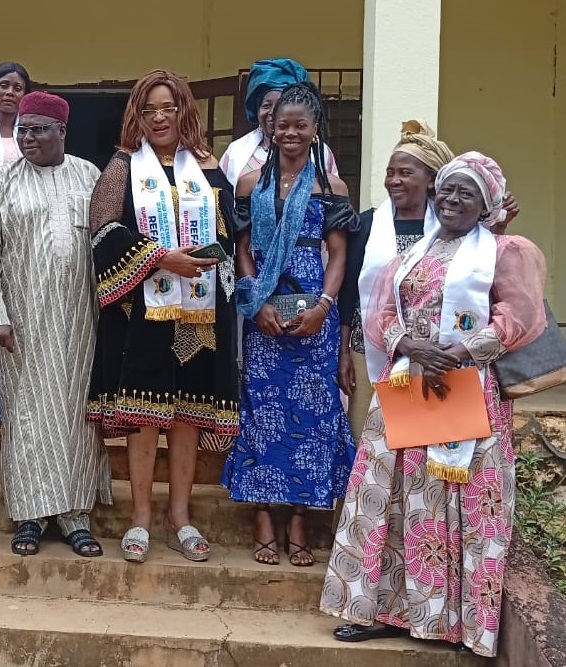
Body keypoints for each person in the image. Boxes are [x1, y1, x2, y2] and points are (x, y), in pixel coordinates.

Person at [321, 152, 547, 658]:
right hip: (410, 384)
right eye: (447, 190)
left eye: (466, 193)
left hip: (469, 390)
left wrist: (464, 349)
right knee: (396, 498)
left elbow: (520, 315)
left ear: (485, 204)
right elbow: (379, 311)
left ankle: (456, 621)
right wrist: (407, 343)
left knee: (458, 503)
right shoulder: (413, 254)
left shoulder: (503, 251)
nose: (451, 200)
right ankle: (387, 609)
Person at [86, 70, 239, 564]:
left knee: (188, 417)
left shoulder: (209, 168)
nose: (159, 118)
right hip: (142, 313)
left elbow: (231, 232)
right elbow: (102, 232)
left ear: (183, 112)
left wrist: (210, 252)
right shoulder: (122, 167)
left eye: (167, 108)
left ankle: (180, 517)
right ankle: (140, 519)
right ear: (138, 115)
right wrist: (159, 258)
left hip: (199, 311)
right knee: (145, 417)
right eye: (149, 109)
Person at [221, 82, 358, 567]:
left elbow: (339, 256)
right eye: (283, 125)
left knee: (313, 419)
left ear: (315, 129)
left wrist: (323, 306)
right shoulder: (249, 185)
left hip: (314, 318)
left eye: (301, 125)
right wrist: (256, 304)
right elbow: (241, 250)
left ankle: (299, 518)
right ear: (270, 128)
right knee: (263, 414)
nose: (291, 133)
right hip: (266, 316)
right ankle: (263, 515)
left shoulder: (332, 189)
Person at [0, 91, 111, 558]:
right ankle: (30, 516)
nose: (27, 138)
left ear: (62, 133)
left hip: (79, 321)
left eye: (38, 130)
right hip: (22, 321)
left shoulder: (89, 176)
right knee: (27, 417)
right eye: (22, 130)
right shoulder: (1, 184)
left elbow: (106, 243)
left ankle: (75, 516)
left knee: (75, 417)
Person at [337, 121, 518, 441]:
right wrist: (343, 354)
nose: (394, 180)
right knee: (371, 437)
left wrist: (496, 226)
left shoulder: (456, 227)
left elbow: (483, 280)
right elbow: (350, 291)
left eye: (405, 173)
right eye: (391, 172)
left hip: (442, 354)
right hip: (371, 350)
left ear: (433, 180)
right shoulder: (367, 224)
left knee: (429, 444)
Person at [220, 58, 338, 189]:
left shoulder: (322, 153)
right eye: (266, 105)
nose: (273, 112)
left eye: (280, 105)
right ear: (257, 109)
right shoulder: (236, 152)